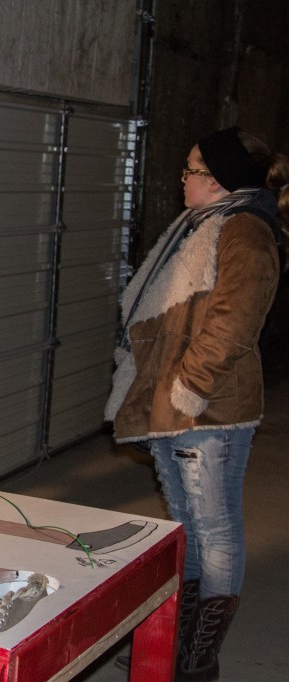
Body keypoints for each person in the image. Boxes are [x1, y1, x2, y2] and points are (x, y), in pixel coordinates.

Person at [105, 127, 289, 681]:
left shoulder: (245, 231)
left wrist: (189, 388)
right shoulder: (201, 227)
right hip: (173, 404)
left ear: (217, 179)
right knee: (184, 524)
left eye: (190, 169)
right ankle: (176, 637)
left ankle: (198, 656)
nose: (182, 179)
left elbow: (235, 322)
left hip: (209, 407)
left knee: (215, 528)